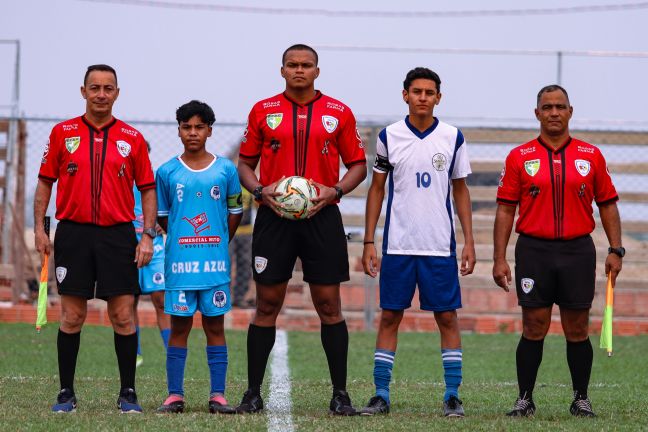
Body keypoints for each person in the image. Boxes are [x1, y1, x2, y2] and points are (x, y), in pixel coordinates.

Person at [235, 44, 366, 415]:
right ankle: (253, 393)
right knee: (267, 304)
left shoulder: (338, 112)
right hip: (274, 216)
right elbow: (245, 164)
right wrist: (260, 190)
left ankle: (340, 395)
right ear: (282, 71)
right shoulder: (263, 110)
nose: (299, 71)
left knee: (328, 304)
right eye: (292, 65)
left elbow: (358, 165)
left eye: (306, 65)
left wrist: (334, 190)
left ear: (317, 71)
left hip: (322, 216)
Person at [493, 84, 623, 418]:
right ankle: (525, 399)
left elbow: (607, 204)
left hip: (578, 251)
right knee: (533, 326)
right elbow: (506, 209)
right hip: (533, 251)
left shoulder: (590, 155)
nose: (554, 112)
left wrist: (616, 249)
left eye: (560, 107)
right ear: (537, 113)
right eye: (547, 107)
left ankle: (581, 398)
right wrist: (499, 258)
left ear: (570, 111)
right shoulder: (519, 157)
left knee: (577, 328)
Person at [34, 64, 156, 413]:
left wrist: (146, 235)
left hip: (119, 235)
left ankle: (128, 392)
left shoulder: (131, 138)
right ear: (83, 91)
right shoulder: (62, 132)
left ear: (117, 93)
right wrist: (40, 228)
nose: (101, 94)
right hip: (73, 233)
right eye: (95, 87)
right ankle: (66, 393)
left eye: (108, 88)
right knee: (72, 316)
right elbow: (45, 181)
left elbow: (147, 189)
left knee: (122, 315)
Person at [360, 67, 475, 418]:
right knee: (390, 316)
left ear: (438, 96)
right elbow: (377, 188)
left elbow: (460, 190)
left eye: (429, 92)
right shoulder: (389, 136)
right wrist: (369, 241)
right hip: (398, 244)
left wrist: (469, 241)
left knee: (447, 317)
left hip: (439, 246)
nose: (423, 97)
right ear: (405, 95)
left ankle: (452, 395)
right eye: (416, 91)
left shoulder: (453, 137)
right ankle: (381, 394)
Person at [155, 100, 242, 414]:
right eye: (186, 127)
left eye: (199, 127)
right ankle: (174, 395)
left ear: (209, 130)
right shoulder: (166, 171)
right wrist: (182, 239)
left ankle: (217, 395)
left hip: (214, 265)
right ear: (179, 130)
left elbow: (235, 211)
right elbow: (164, 217)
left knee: (215, 328)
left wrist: (218, 240)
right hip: (179, 266)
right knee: (179, 328)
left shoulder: (226, 169)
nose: (193, 132)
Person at [133, 141, 171, 367]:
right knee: (128, 300)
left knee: (161, 299)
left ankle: (171, 352)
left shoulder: (159, 179)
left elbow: (173, 207)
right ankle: (134, 353)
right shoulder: (118, 179)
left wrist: (163, 225)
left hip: (154, 245)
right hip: (126, 245)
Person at [230, 186, 254, 307]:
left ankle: (240, 298)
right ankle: (224, 297)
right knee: (226, 264)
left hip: (246, 231)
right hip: (229, 231)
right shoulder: (228, 184)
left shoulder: (249, 186)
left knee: (245, 265)